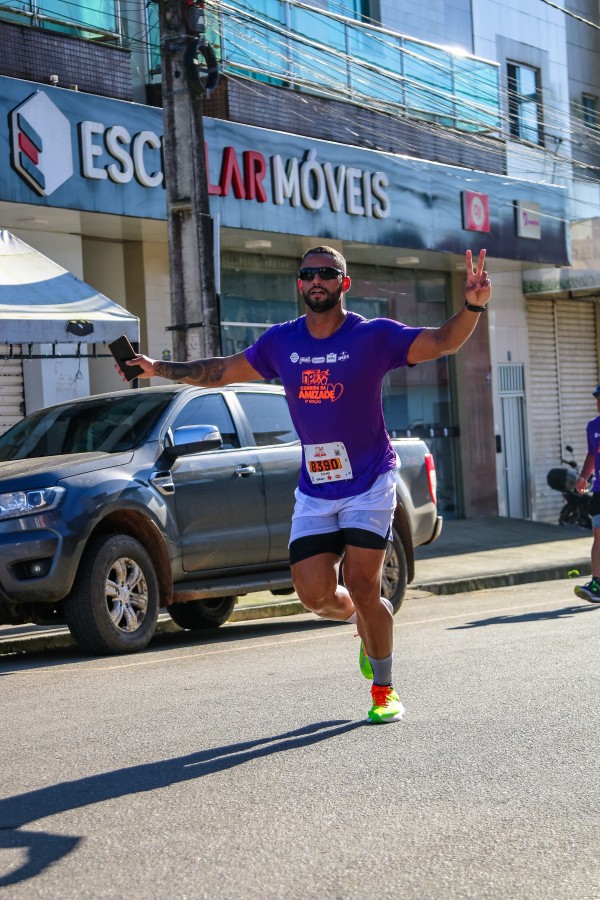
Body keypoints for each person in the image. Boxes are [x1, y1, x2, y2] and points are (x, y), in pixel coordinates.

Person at [121, 245, 491, 723]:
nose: (317, 280)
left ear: (344, 283)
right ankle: (365, 620)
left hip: (369, 481)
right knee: (314, 595)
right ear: (299, 284)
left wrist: (473, 307)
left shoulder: (371, 336)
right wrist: (157, 369)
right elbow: (220, 371)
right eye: (308, 274)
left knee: (361, 583)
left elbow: (442, 341)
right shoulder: (281, 342)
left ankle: (384, 688)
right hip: (316, 489)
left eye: (327, 273)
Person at [573, 385, 600, 603]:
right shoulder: (593, 426)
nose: (598, 402)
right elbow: (592, 455)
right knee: (598, 535)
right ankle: (597, 584)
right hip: (599, 490)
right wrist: (583, 477)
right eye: (597, 398)